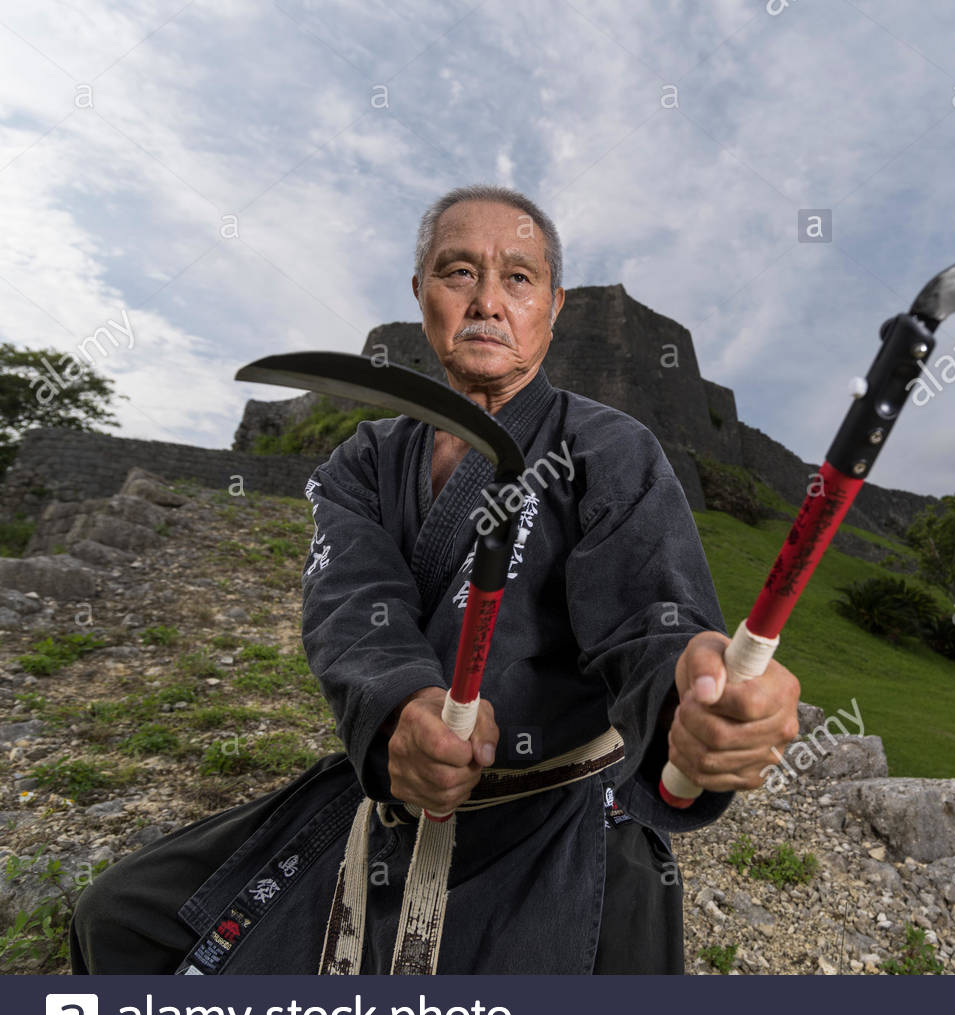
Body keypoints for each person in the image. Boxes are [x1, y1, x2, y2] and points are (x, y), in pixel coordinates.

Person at [71, 184, 800, 974]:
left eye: (518, 278)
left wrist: (692, 697)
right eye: (459, 272)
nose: (488, 299)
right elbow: (353, 602)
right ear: (420, 292)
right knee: (122, 921)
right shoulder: (366, 460)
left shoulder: (610, 449)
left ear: (553, 309)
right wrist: (402, 711)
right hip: (394, 799)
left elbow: (653, 619)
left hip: (558, 823)